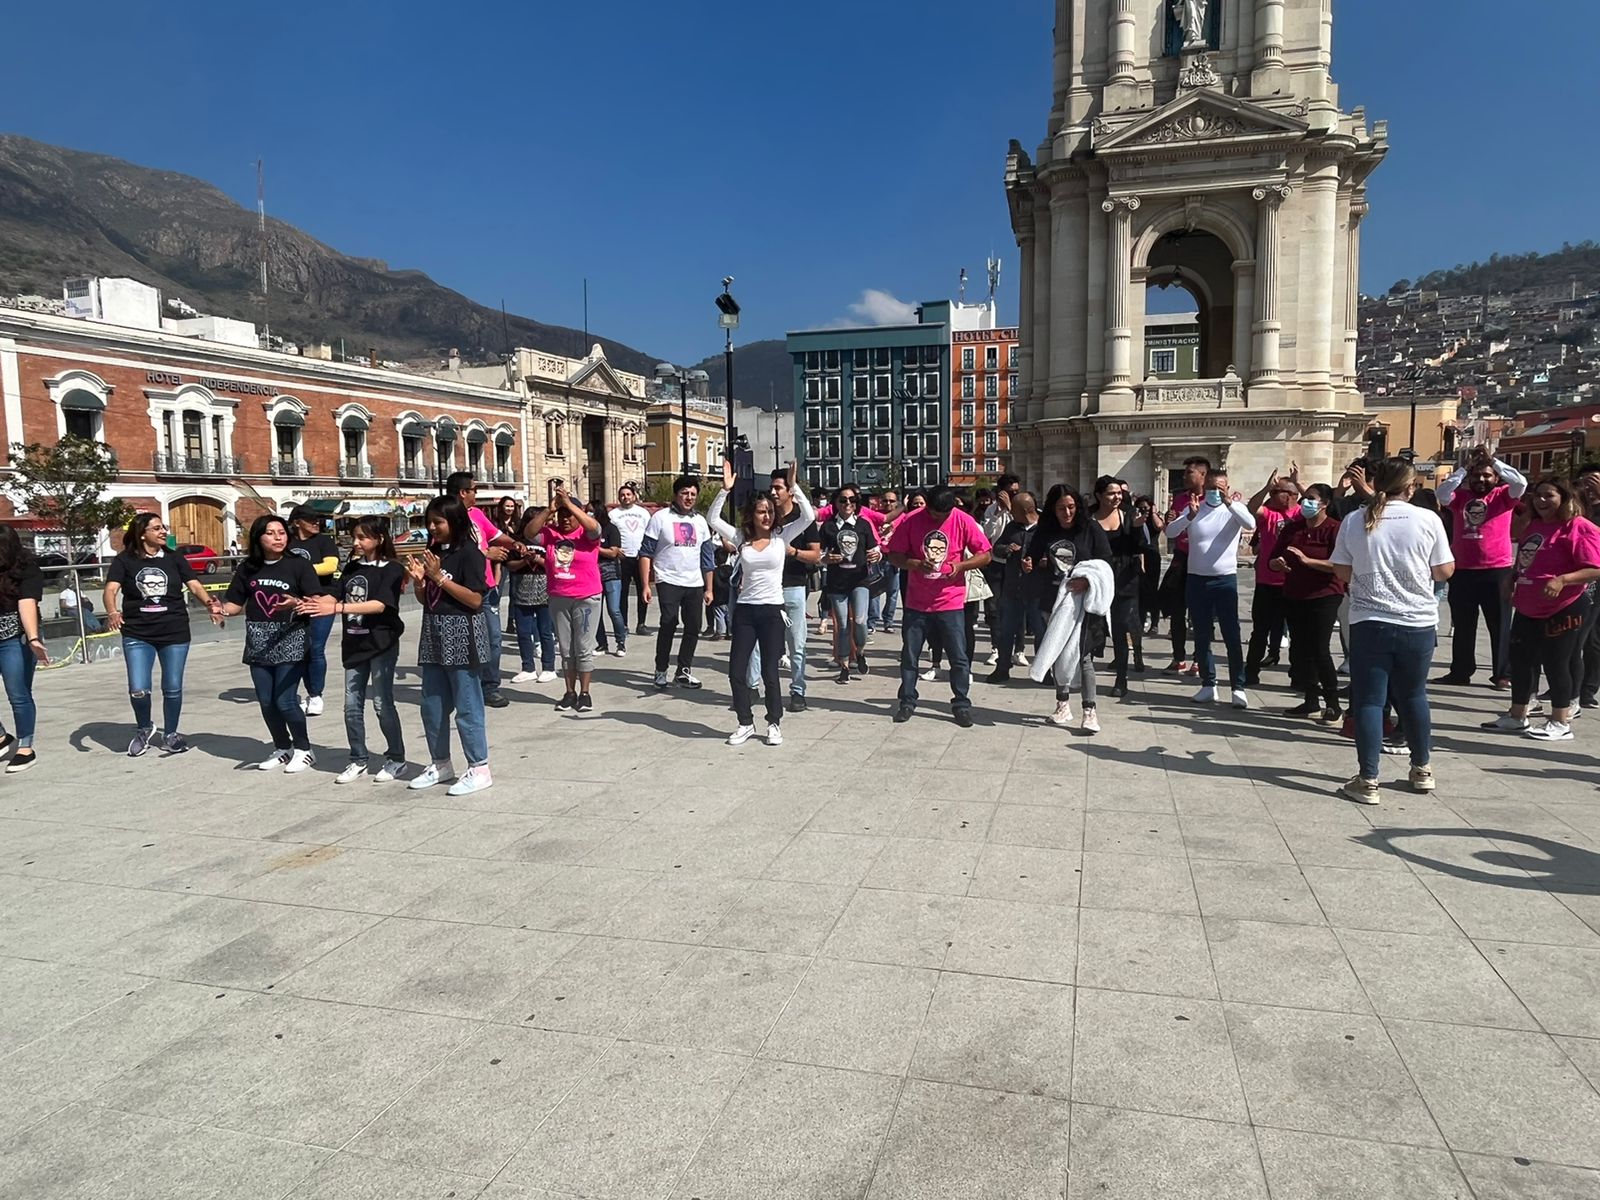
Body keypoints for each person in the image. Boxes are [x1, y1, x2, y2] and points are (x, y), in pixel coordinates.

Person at [1329, 458, 1455, 804]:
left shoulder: (1356, 519)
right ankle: (1421, 768)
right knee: (1414, 696)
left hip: (1371, 620)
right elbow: (1444, 570)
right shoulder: (1428, 518)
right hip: (1417, 620)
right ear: (1411, 486)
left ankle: (1368, 778)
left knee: (1370, 700)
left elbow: (1341, 570)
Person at [1481, 476, 1600, 741]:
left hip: (1564, 606)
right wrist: (1512, 577)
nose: (1542, 501)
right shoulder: (1534, 526)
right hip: (1528, 605)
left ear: (1564, 499)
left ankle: (1560, 720)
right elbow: (1526, 559)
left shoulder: (1579, 527)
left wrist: (1562, 580)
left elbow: (1595, 569)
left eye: (1549, 496)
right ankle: (1517, 715)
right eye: (1537, 496)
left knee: (1556, 662)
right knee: (1521, 661)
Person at [707, 459, 815, 745]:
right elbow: (713, 520)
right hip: (744, 611)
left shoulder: (782, 536)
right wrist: (724, 490)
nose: (766, 516)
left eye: (769, 511)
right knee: (736, 671)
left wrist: (794, 488)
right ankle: (745, 722)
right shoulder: (742, 537)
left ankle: (774, 723)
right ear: (752, 515)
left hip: (772, 611)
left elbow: (809, 517)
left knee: (770, 671)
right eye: (761, 512)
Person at [104, 512, 225, 757]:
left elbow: (194, 584)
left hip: (174, 631)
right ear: (142, 534)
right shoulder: (124, 560)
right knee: (138, 688)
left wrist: (210, 604)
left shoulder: (174, 557)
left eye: (163, 527)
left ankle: (171, 734)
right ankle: (144, 728)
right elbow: (111, 589)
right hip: (138, 633)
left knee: (172, 687)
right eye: (157, 528)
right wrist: (112, 611)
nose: (163, 532)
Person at [298, 518, 409, 784]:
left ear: (380, 538)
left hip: (381, 643)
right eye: (355, 537)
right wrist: (306, 602)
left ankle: (396, 758)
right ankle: (358, 759)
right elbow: (334, 594)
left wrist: (336, 609)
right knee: (351, 705)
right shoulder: (353, 566)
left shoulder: (392, 568)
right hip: (354, 643)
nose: (356, 543)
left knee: (382, 704)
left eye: (362, 537)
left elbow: (380, 605)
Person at [405, 495, 493, 795]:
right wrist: (420, 581)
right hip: (433, 634)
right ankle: (440, 763)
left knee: (467, 706)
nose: (432, 527)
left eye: (438, 522)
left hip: (462, 634)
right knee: (432, 705)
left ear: (454, 522)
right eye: (428, 521)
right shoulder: (432, 551)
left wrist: (439, 577)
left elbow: (476, 600)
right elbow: (427, 600)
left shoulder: (470, 554)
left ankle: (479, 767)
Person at [885, 487, 992, 727]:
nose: (938, 519)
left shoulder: (963, 520)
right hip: (916, 603)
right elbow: (893, 554)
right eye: (933, 514)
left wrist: (961, 566)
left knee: (958, 657)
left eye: (944, 515)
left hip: (950, 601)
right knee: (910, 656)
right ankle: (907, 701)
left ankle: (961, 703)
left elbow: (985, 554)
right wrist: (912, 563)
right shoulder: (912, 520)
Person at [222, 515, 321, 773]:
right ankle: (283, 747)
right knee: (266, 701)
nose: (278, 537)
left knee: (285, 700)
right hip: (259, 641)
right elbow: (234, 604)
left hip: (292, 637)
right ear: (258, 538)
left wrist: (296, 604)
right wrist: (218, 609)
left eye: (282, 532)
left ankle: (303, 748)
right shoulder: (248, 568)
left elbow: (316, 602)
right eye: (271, 533)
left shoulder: (298, 565)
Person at [1435, 446, 1528, 688]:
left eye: (1487, 475)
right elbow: (1442, 492)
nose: (1481, 479)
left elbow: (1521, 482)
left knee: (1499, 625)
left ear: (1496, 478)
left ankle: (1502, 674)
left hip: (1497, 571)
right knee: (1463, 625)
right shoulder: (1460, 499)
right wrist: (1465, 467)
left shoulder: (1504, 496)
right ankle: (1460, 671)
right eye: (1476, 476)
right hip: (1463, 571)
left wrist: (1493, 461)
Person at [1166, 468, 1256, 708]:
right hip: (1197, 579)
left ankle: (1238, 687)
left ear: (1227, 488)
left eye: (1221, 488)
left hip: (1224, 579)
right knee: (1201, 634)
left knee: (1232, 635)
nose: (1216, 492)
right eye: (1212, 488)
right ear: (1205, 488)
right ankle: (1209, 684)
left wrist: (1230, 504)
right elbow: (1170, 531)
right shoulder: (1195, 508)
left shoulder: (1235, 509)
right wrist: (1189, 517)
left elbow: (1251, 523)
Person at [1025, 486, 1113, 731]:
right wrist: (1029, 564)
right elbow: (1031, 555)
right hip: (1052, 599)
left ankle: (1090, 710)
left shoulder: (1090, 529)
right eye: (1061, 508)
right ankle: (1062, 706)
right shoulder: (1045, 530)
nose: (1067, 512)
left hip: (1082, 602)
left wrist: (1087, 581)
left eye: (1071, 507)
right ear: (1053, 509)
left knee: (1082, 656)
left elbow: (1105, 563)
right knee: (1056, 650)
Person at [521, 484, 604, 713]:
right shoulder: (550, 534)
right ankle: (570, 692)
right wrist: (550, 510)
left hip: (586, 597)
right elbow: (529, 533)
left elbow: (595, 528)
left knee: (583, 648)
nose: (566, 519)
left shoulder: (586, 535)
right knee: (566, 649)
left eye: (570, 515)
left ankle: (585, 694)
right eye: (562, 516)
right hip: (559, 597)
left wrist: (569, 504)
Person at [1268, 484, 1345, 722]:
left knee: (1319, 648)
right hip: (1294, 593)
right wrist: (1278, 564)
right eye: (1304, 498)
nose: (1304, 502)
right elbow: (1272, 559)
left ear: (1324, 503)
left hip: (1325, 594)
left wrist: (1308, 561)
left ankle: (1333, 704)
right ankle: (1310, 700)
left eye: (1311, 499)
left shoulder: (1335, 529)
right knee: (1301, 649)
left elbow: (1340, 565)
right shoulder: (1293, 529)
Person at [446, 472, 517, 710]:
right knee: (465, 642)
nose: (477, 493)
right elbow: (449, 553)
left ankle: (490, 686)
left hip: (485, 588)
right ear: (463, 492)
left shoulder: (477, 515)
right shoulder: (447, 519)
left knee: (494, 639)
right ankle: (465, 687)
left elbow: (495, 536)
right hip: (460, 590)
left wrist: (515, 543)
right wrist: (486, 554)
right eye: (474, 489)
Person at [639, 475, 714, 690]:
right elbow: (645, 553)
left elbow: (707, 558)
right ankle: (661, 669)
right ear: (676, 495)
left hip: (694, 582)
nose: (689, 498)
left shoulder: (699, 522)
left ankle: (683, 671)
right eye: (684, 493)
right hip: (668, 578)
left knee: (693, 627)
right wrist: (646, 584)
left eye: (692, 494)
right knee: (669, 622)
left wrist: (709, 588)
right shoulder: (660, 518)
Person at [767, 467, 822, 711]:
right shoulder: (766, 516)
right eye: (772, 487)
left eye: (778, 487)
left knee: (797, 644)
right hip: (767, 589)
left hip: (794, 586)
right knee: (761, 645)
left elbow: (815, 555)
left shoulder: (801, 518)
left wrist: (794, 552)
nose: (773, 492)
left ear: (790, 491)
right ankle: (752, 687)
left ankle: (798, 690)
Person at [1243, 468, 1301, 685]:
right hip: (1267, 582)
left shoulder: (1300, 514)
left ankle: (1297, 675)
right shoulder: (1270, 514)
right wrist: (1267, 487)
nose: (1272, 495)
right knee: (1260, 631)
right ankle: (1251, 671)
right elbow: (1252, 508)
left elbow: (1323, 506)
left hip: (1294, 583)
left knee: (1297, 633)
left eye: (1277, 491)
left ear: (1291, 494)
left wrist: (1299, 484)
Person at [819, 484, 880, 684]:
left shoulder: (863, 524)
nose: (847, 504)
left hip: (859, 579)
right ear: (835, 503)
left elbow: (875, 549)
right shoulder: (828, 526)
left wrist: (876, 555)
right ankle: (844, 665)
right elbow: (818, 553)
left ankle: (860, 652)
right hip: (837, 582)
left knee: (861, 620)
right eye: (843, 500)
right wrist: (826, 558)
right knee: (843, 624)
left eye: (852, 500)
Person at [1092, 476, 1145, 697]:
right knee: (1092, 628)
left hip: (1125, 580)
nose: (1116, 497)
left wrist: (1136, 529)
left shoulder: (1129, 514)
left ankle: (1121, 678)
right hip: (1097, 580)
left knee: (1122, 628)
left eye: (1118, 493)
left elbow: (1140, 547)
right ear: (1099, 496)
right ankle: (1085, 672)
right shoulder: (1089, 518)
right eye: (1111, 493)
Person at [0, 527, 48, 773]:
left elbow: (27, 603)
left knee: (18, 693)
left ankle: (25, 748)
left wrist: (33, 638)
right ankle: (1, 737)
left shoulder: (27, 568)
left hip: (14, 638)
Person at [285, 506, 339, 716]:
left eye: (317, 519)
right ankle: (292, 694)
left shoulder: (324, 541)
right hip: (293, 601)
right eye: (310, 519)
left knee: (315, 648)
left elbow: (330, 565)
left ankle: (315, 694)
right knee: (297, 649)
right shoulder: (287, 541)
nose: (316, 522)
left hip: (321, 599)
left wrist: (297, 569)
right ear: (297, 522)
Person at [1159, 456, 1209, 673]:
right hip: (1181, 557)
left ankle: (1199, 659)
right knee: (1177, 609)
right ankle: (1178, 657)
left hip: (1201, 559)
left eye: (1190, 472)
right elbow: (1172, 529)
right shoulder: (1180, 499)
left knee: (1199, 612)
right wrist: (1170, 519)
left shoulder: (1212, 498)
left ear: (1202, 474)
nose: (1185, 475)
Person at [987, 491, 1042, 683]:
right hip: (1013, 587)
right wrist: (1008, 548)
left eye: (1014, 510)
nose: (1011, 513)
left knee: (1041, 631)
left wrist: (1040, 561)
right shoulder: (1013, 527)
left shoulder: (1043, 528)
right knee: (1006, 630)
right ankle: (1002, 668)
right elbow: (996, 547)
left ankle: (1044, 671)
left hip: (1037, 590)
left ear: (1026, 510)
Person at [507, 507, 557, 685]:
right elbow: (510, 565)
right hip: (522, 588)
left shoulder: (548, 539)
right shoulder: (516, 541)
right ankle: (527, 667)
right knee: (523, 632)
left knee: (545, 632)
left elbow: (556, 564)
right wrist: (524, 560)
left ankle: (549, 667)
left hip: (544, 587)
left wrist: (538, 560)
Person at [610, 482, 653, 634]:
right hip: (623, 558)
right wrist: (615, 549)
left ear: (634, 496)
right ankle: (624, 625)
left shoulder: (643, 513)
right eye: (622, 495)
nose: (625, 497)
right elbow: (610, 534)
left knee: (643, 590)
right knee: (623, 592)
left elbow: (650, 533)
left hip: (641, 557)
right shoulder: (613, 514)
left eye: (628, 494)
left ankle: (641, 624)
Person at [1576, 463, 1600, 709]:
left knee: (1592, 640)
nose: (1589, 488)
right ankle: (1567, 687)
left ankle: (1588, 689)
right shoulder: (1577, 512)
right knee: (1575, 637)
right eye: (1585, 483)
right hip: (1579, 581)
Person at [592, 503, 628, 658]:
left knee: (614, 610)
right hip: (593, 575)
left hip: (611, 574)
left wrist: (595, 548)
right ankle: (602, 644)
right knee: (595, 612)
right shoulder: (587, 531)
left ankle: (621, 642)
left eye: (591, 512)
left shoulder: (611, 529)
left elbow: (613, 552)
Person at [867, 487, 903, 634]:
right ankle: (872, 622)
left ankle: (888, 621)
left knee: (893, 591)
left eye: (891, 501)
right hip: (877, 557)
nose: (888, 503)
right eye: (885, 500)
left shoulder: (902, 517)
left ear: (897, 503)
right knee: (874, 591)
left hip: (893, 558)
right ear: (880, 502)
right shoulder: (874, 517)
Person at [1134, 495, 1164, 634]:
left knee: (1152, 590)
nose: (1143, 510)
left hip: (1152, 556)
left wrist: (1152, 513)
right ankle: (1140, 622)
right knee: (1140, 591)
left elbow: (1159, 526)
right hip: (1139, 555)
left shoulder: (1154, 518)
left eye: (1145, 507)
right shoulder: (1136, 520)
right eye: (1140, 508)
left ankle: (1155, 623)